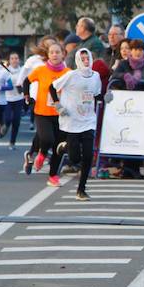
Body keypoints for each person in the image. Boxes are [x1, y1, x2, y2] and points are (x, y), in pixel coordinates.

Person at [50, 48, 102, 200]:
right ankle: (65, 146)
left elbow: (97, 94)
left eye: (88, 58)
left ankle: (81, 189)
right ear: (78, 60)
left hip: (88, 120)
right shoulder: (71, 75)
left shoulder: (96, 76)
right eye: (83, 59)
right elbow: (52, 87)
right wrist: (58, 104)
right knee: (74, 158)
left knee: (87, 156)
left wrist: (106, 97)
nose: (86, 61)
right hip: (72, 120)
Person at [25, 41, 69, 186]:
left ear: (63, 54)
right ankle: (42, 154)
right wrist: (28, 97)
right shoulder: (40, 70)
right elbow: (26, 81)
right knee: (47, 139)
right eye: (52, 52)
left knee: (58, 146)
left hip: (61, 114)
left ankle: (53, 175)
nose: (55, 55)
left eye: (57, 52)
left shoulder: (68, 73)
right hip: (42, 112)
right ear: (48, 55)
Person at [18, 39, 49, 173]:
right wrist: (24, 93)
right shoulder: (33, 60)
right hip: (36, 98)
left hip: (54, 101)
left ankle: (35, 153)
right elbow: (23, 77)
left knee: (49, 131)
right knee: (42, 130)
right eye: (46, 45)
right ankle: (37, 153)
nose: (50, 49)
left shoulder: (58, 60)